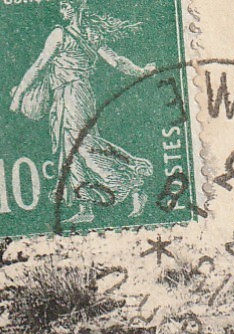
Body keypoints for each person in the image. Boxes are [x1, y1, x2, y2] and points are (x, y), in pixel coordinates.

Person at [10, 1, 156, 226]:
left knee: (84, 147)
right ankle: (85, 205)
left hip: (75, 95)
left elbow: (115, 61)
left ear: (78, 6)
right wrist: (141, 70)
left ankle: (132, 180)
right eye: (61, 6)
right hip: (64, 97)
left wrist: (19, 96)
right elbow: (40, 65)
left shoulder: (69, 34)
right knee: (70, 150)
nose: (63, 10)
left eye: (66, 5)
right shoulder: (79, 33)